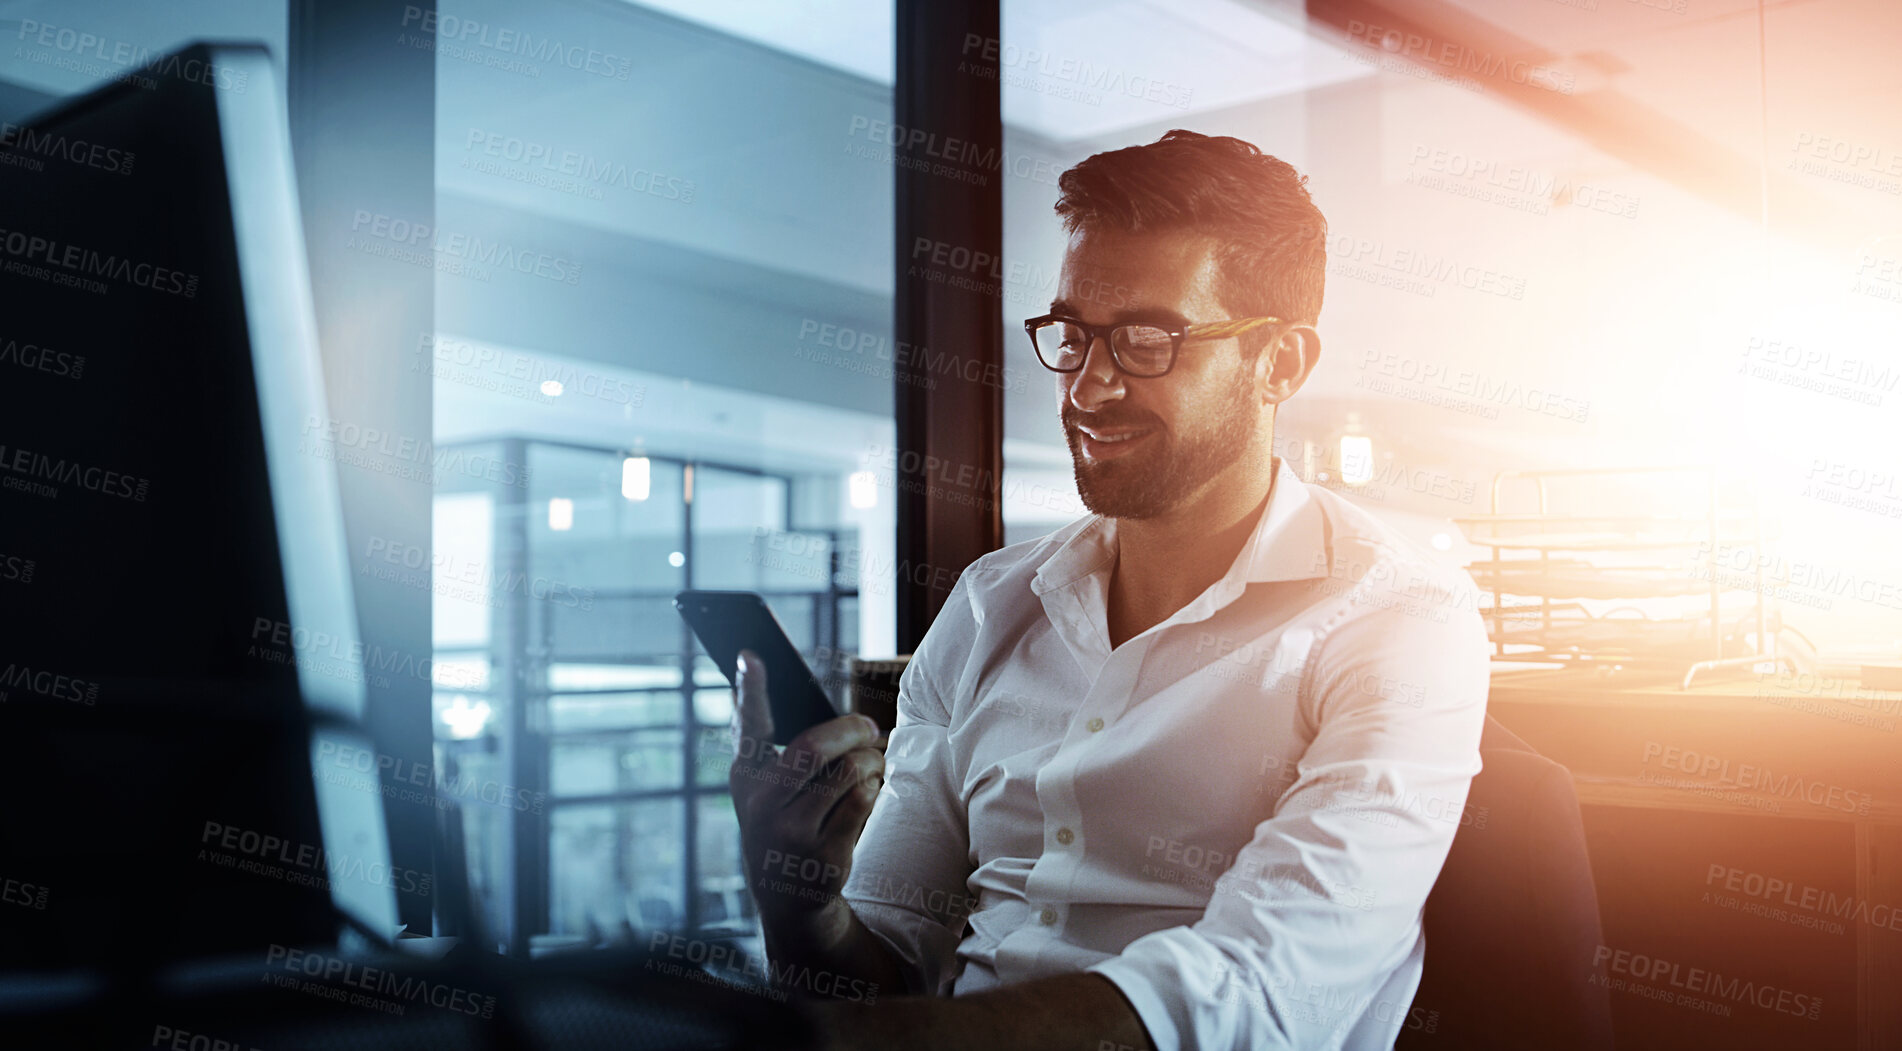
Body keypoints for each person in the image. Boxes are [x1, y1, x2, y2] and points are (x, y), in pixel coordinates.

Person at [727, 129, 1489, 1051]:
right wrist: (798, 899)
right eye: (1075, 335)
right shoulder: (986, 607)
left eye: (1146, 340)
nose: (1088, 386)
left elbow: (1265, 985)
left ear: (1280, 364)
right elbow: (885, 969)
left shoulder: (1400, 619)